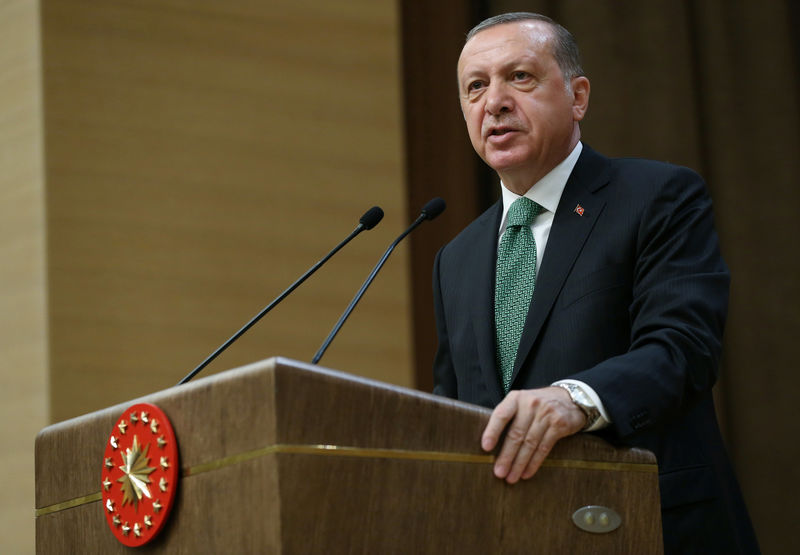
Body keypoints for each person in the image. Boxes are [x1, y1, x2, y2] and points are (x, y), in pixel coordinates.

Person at [431, 12, 759, 554]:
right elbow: (453, 411)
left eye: (520, 77)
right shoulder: (456, 258)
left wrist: (576, 399)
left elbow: (683, 348)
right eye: (475, 87)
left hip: (649, 527)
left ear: (578, 96)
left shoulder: (657, 196)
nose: (494, 102)